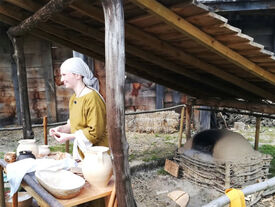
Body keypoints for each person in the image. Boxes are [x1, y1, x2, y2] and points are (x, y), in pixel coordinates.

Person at [49, 57, 108, 160]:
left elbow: (95, 132)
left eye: (64, 75)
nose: (62, 80)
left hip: (98, 157)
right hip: (83, 154)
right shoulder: (74, 98)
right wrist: (60, 130)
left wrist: (69, 137)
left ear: (77, 75)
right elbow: (73, 124)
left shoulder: (92, 98)